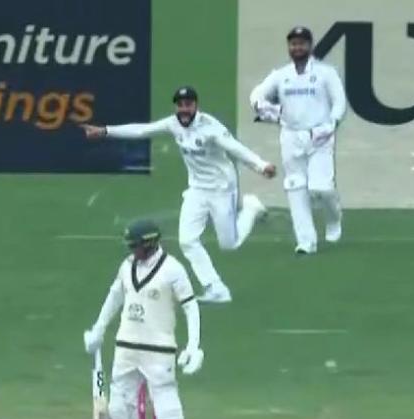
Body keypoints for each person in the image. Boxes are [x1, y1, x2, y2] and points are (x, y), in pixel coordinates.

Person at [83, 86, 277, 303]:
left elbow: (234, 148)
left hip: (222, 188)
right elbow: (142, 130)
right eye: (180, 104)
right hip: (196, 189)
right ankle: (216, 288)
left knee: (228, 244)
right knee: (187, 241)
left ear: (195, 105)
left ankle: (251, 208)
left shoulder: (210, 127)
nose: (184, 108)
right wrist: (105, 131)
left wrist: (261, 166)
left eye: (188, 104)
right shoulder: (173, 124)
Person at [83, 220, 202, 419]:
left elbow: (191, 307)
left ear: (150, 243)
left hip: (159, 349)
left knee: (167, 407)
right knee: (118, 406)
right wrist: (98, 329)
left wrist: (193, 346)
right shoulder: (127, 267)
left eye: (136, 246)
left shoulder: (173, 269)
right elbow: (114, 297)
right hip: (126, 346)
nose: (132, 251)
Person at [249, 25, 347, 254]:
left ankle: (334, 219)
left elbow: (339, 102)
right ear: (289, 47)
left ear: (310, 46)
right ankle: (306, 241)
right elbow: (257, 94)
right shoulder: (281, 75)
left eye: (302, 43)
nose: (297, 47)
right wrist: (261, 106)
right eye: (293, 43)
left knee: (321, 188)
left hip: (319, 136)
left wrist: (331, 124)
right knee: (295, 186)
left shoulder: (326, 73)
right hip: (291, 137)